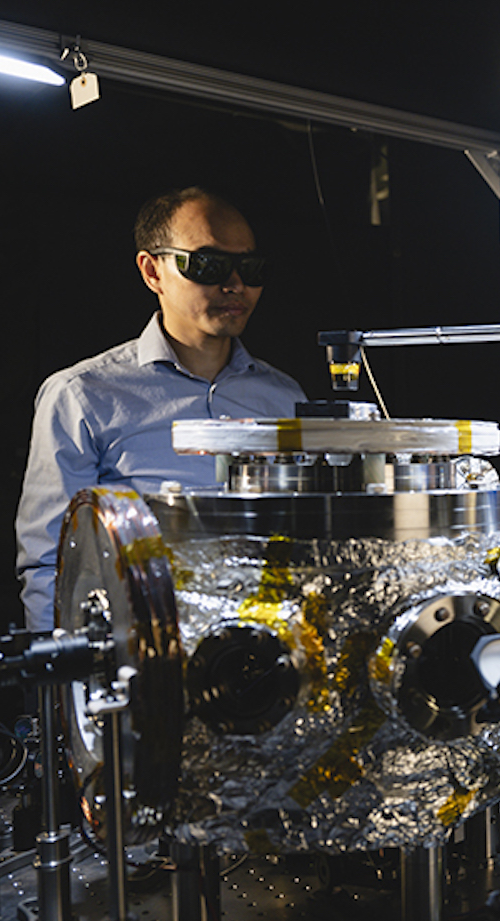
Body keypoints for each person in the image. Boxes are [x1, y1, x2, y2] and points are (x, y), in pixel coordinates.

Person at [15, 186, 307, 631]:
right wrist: (62, 690)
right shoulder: (82, 395)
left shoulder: (286, 399)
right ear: (153, 271)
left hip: (268, 658)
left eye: (251, 268)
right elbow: (50, 562)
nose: (235, 284)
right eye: (207, 265)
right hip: (146, 660)